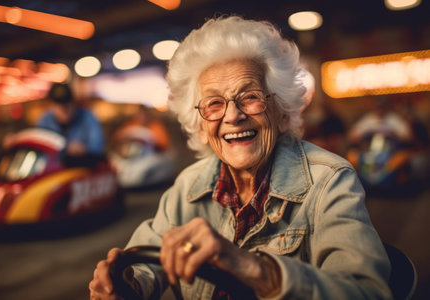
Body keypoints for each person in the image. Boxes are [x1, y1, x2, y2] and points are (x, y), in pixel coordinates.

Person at [89, 16, 392, 299]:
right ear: (201, 124)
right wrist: (128, 282)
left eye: (250, 97)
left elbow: (366, 290)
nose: (233, 116)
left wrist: (254, 268)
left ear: (281, 111)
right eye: (214, 103)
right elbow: (148, 258)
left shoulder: (329, 181)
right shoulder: (188, 186)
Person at [37, 82, 105, 167]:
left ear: (74, 103)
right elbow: (39, 151)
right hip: (52, 172)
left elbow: (97, 148)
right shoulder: (45, 120)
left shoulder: (87, 117)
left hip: (82, 170)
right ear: (51, 105)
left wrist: (84, 150)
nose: (63, 109)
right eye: (59, 104)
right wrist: (65, 149)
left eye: (67, 103)